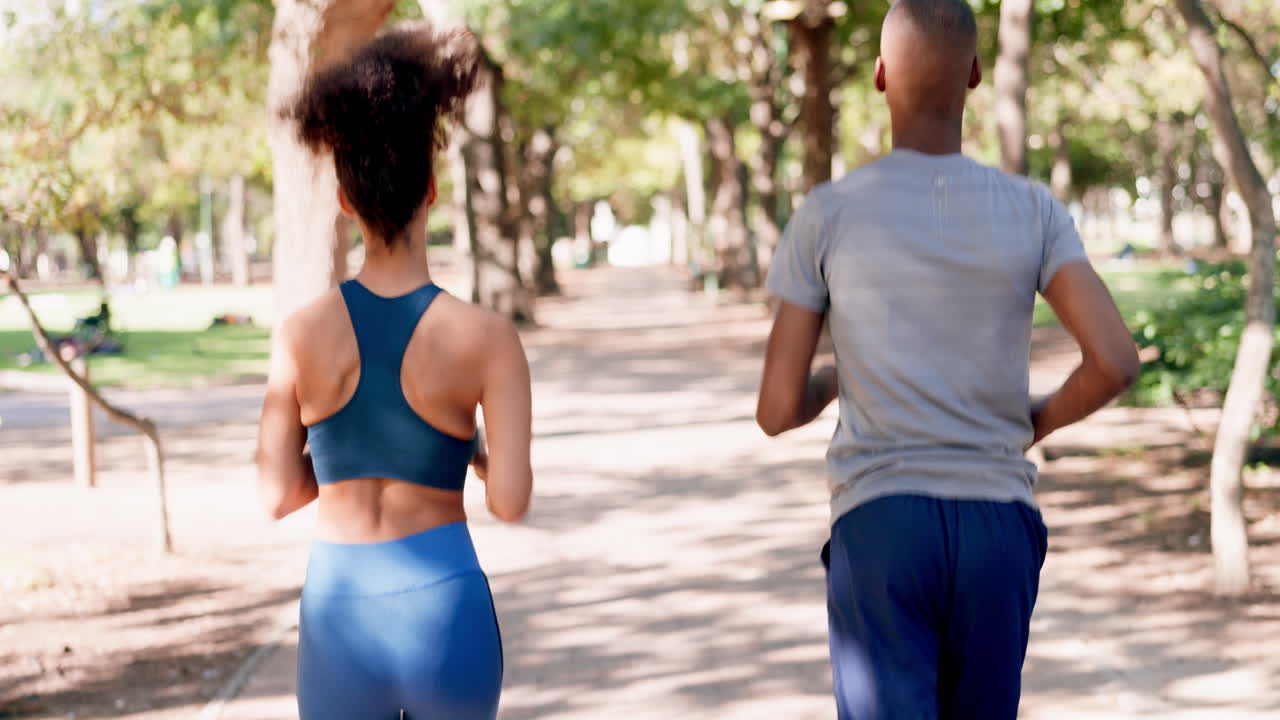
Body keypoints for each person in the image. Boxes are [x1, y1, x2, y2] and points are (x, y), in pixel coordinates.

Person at [756, 1, 1139, 718]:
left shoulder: (828, 214)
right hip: (998, 525)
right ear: (974, 74)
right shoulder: (1032, 210)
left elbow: (776, 410)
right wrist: (1035, 424)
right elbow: (1115, 361)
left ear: (878, 76)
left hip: (880, 529)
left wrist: (843, 379)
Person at [255, 26, 532, 720]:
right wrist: (459, 448)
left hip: (338, 610)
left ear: (345, 200)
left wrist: (346, 453)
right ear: (431, 190)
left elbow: (279, 494)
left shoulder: (299, 337)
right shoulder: (488, 339)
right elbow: (510, 501)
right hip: (445, 604)